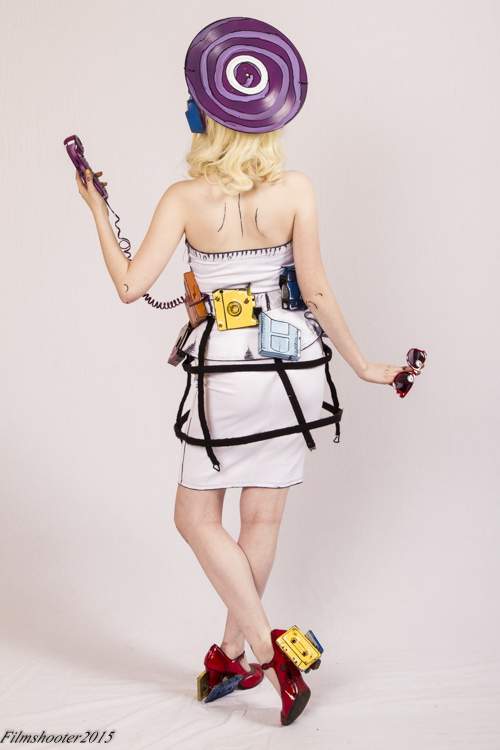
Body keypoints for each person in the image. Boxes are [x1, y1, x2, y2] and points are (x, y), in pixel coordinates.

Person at [76, 16, 418, 727]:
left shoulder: (184, 198)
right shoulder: (297, 189)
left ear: (206, 116)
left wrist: (97, 209)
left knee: (194, 517)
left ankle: (264, 651)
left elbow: (132, 285)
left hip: (227, 376)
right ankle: (234, 656)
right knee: (261, 516)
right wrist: (360, 366)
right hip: (294, 369)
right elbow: (316, 291)